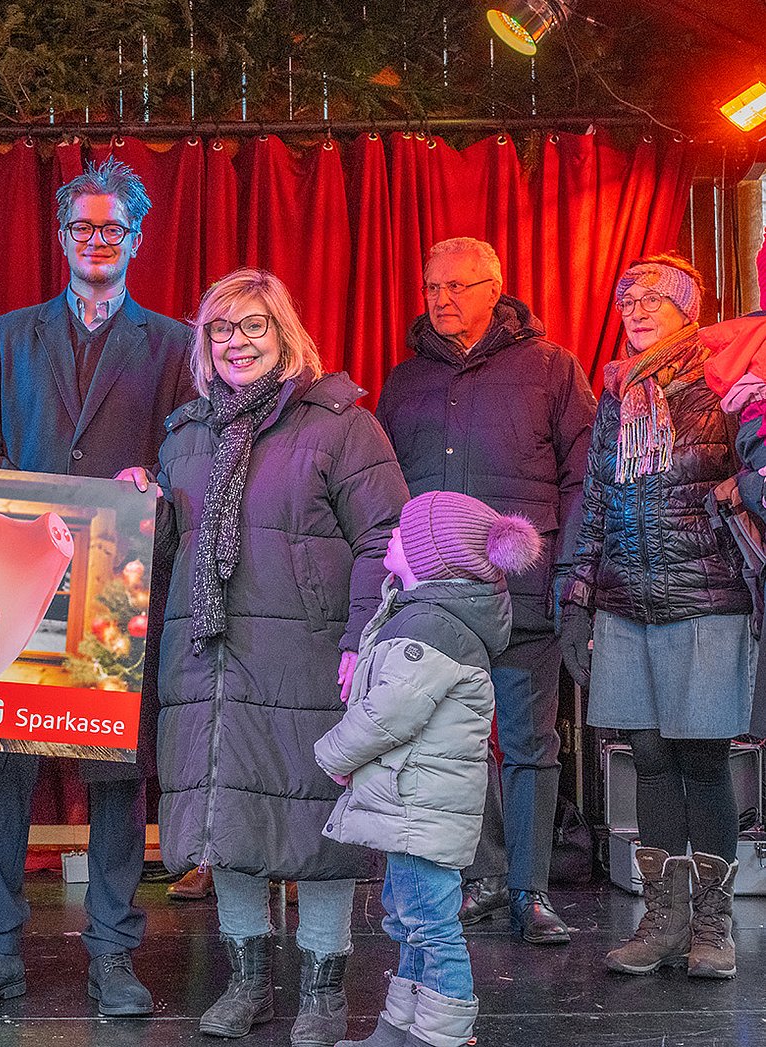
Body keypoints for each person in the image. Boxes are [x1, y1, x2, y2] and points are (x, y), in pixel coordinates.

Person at [0, 157, 193, 1018]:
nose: (96, 240)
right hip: (24, 581)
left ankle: (114, 953)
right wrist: (29, 503)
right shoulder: (10, 335)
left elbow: (188, 456)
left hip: (120, 586)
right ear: (61, 236)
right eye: (83, 226)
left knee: (116, 774)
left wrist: (155, 482)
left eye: (112, 228)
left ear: (137, 239)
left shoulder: (173, 344)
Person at [151, 267, 408, 1045]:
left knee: (316, 818)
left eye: (253, 325)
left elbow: (386, 539)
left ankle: (324, 989)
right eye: (221, 329)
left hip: (308, 655)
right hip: (210, 658)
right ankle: (248, 981)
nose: (237, 342)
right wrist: (141, 501)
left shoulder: (340, 424)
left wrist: (361, 637)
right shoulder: (185, 435)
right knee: (225, 810)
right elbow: (168, 548)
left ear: (285, 332)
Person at [374, 237, 594, 946]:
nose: (440, 299)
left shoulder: (551, 367)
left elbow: (584, 477)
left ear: (495, 290)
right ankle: (486, 876)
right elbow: (384, 487)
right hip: (435, 600)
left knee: (529, 744)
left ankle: (531, 890)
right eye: (431, 287)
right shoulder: (406, 380)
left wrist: (569, 570)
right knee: (451, 744)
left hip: (523, 589)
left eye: (456, 286)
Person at [561, 254, 754, 981]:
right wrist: (578, 595)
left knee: (702, 758)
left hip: (705, 597)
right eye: (627, 300)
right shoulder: (616, 395)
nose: (636, 311)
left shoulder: (723, 379)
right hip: (626, 600)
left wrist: (741, 488)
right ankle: (664, 918)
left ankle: (713, 922)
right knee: (647, 756)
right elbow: (598, 499)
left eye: (652, 300)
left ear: (686, 310)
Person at [316, 492, 545, 1047]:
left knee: (432, 927)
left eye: (403, 532)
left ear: (430, 556)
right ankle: (402, 1027)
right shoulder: (425, 616)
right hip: (414, 805)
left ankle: (443, 1035)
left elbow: (389, 712)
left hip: (422, 807)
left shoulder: (432, 628)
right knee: (410, 921)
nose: (391, 537)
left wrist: (335, 754)